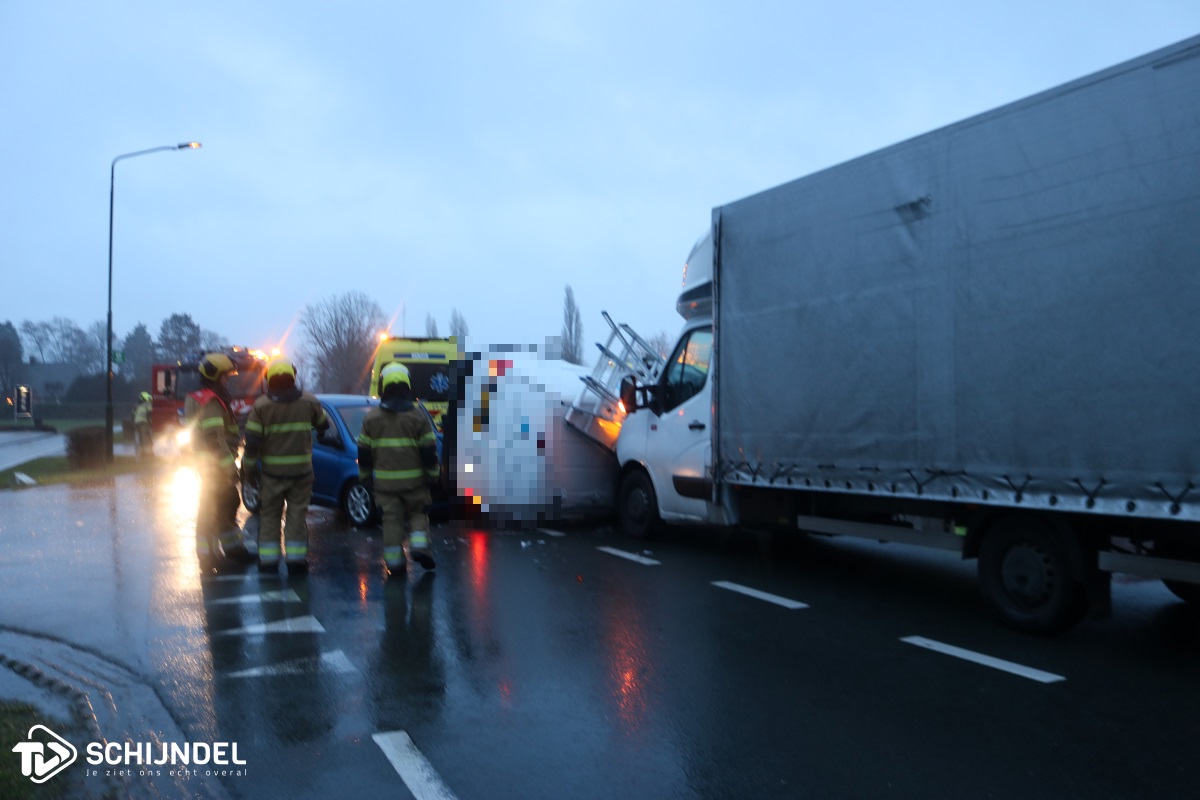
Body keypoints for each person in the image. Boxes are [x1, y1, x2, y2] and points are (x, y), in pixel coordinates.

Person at [242, 358, 329, 573]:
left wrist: (249, 472)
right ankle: (296, 561)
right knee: (297, 516)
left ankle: (268, 561)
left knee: (270, 515)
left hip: (272, 475)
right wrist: (318, 429)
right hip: (301, 474)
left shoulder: (261, 406)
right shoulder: (308, 401)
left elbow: (252, 444)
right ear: (293, 377)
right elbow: (324, 423)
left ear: (269, 380)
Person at [357, 363, 439, 574]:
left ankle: (394, 564)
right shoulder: (418, 417)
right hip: (415, 483)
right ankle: (420, 547)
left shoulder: (371, 419)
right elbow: (429, 451)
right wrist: (433, 475)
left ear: (383, 386)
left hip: (385, 486)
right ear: (407, 385)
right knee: (418, 513)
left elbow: (364, 452)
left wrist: (365, 477)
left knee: (391, 521)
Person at [184, 353, 248, 570]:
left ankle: (233, 548)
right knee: (212, 511)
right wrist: (230, 469)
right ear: (215, 376)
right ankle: (209, 557)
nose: (227, 380)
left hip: (209, 466)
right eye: (225, 376)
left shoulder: (199, 397)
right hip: (215, 468)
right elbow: (215, 440)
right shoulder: (210, 401)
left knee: (226, 505)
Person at [133, 391, 154, 457]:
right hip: (143, 423)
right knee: (145, 438)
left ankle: (140, 453)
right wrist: (150, 422)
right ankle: (147, 454)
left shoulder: (139, 405)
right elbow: (149, 414)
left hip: (137, 423)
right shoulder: (148, 404)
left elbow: (133, 415)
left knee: (140, 439)